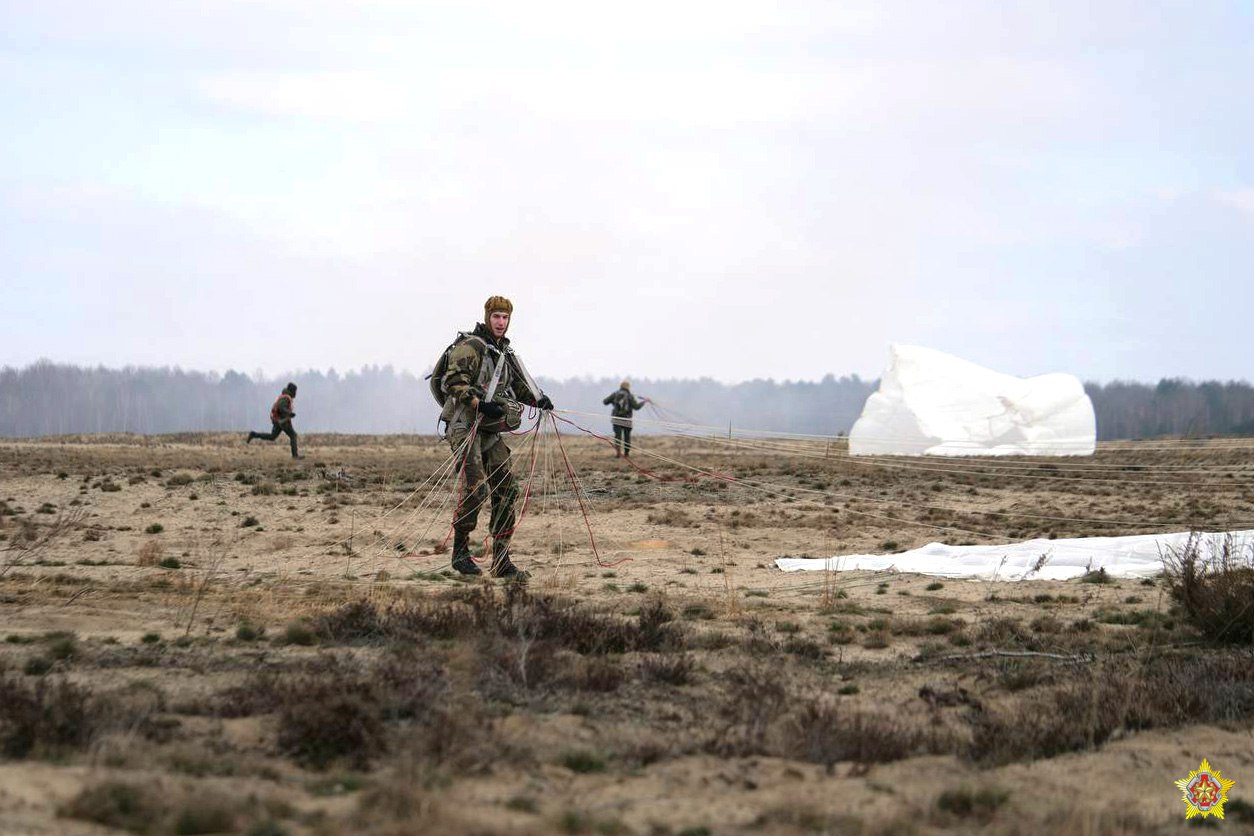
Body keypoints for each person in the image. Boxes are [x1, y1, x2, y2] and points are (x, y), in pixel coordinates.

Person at [439, 296, 554, 579]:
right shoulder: (471, 347)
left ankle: (501, 561)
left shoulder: (504, 354)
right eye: (496, 317)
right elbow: (452, 382)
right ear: (487, 317)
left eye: (505, 317)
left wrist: (539, 401)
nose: (501, 322)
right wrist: (478, 403)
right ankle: (460, 553)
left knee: (507, 490)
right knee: (476, 489)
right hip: (465, 426)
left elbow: (518, 385)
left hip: (490, 430)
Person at [246, 382, 301, 459]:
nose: (296, 393)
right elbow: (281, 407)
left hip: (278, 421)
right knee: (293, 435)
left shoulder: (283, 396)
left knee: (272, 437)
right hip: (283, 421)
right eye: (295, 391)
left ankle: (254, 434)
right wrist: (289, 413)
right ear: (292, 391)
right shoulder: (286, 397)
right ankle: (295, 456)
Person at [602, 380, 648, 458]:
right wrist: (644, 401)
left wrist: (613, 402)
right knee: (627, 437)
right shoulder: (630, 396)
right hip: (627, 419)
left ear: (620, 386)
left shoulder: (615, 394)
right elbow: (636, 407)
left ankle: (618, 454)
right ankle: (626, 454)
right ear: (628, 387)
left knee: (618, 437)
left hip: (616, 419)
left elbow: (605, 402)